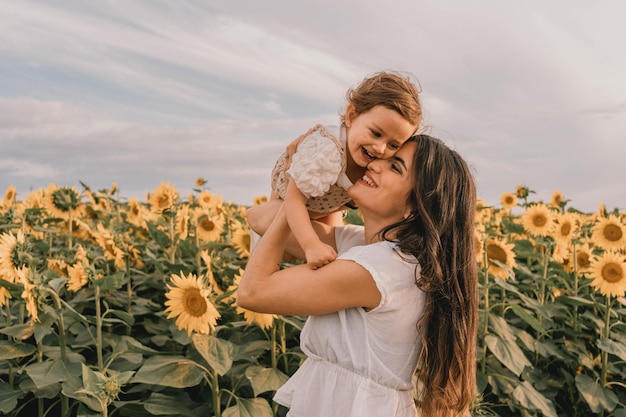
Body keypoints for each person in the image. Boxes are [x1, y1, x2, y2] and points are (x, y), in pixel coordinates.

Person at [239, 135, 478, 417]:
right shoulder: (369, 248)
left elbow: (253, 292)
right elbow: (262, 220)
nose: (375, 165)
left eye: (395, 167)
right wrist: (320, 181)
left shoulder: (380, 267)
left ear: (415, 207)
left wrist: (298, 186)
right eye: (383, 159)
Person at [252, 71, 422, 269]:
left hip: (327, 201)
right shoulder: (329, 150)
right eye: (376, 133)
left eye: (393, 145)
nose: (380, 148)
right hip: (289, 194)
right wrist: (311, 245)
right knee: (274, 250)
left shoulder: (372, 158)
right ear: (351, 116)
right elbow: (295, 200)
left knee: (327, 260)